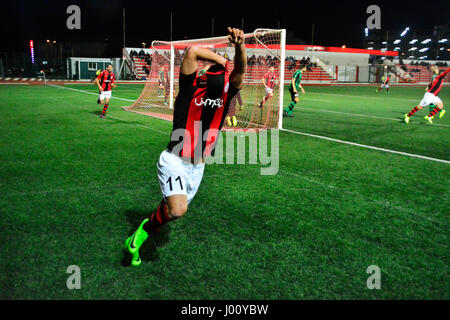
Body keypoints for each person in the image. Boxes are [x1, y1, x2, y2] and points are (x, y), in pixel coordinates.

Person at [123, 27, 247, 266]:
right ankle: (141, 232)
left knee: (172, 212)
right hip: (174, 159)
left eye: (221, 70)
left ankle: (150, 224)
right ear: (205, 70)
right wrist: (221, 58)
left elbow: (241, 70)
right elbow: (191, 52)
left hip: (198, 167)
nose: (218, 71)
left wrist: (239, 45)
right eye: (213, 68)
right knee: (178, 210)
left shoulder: (228, 93)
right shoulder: (190, 88)